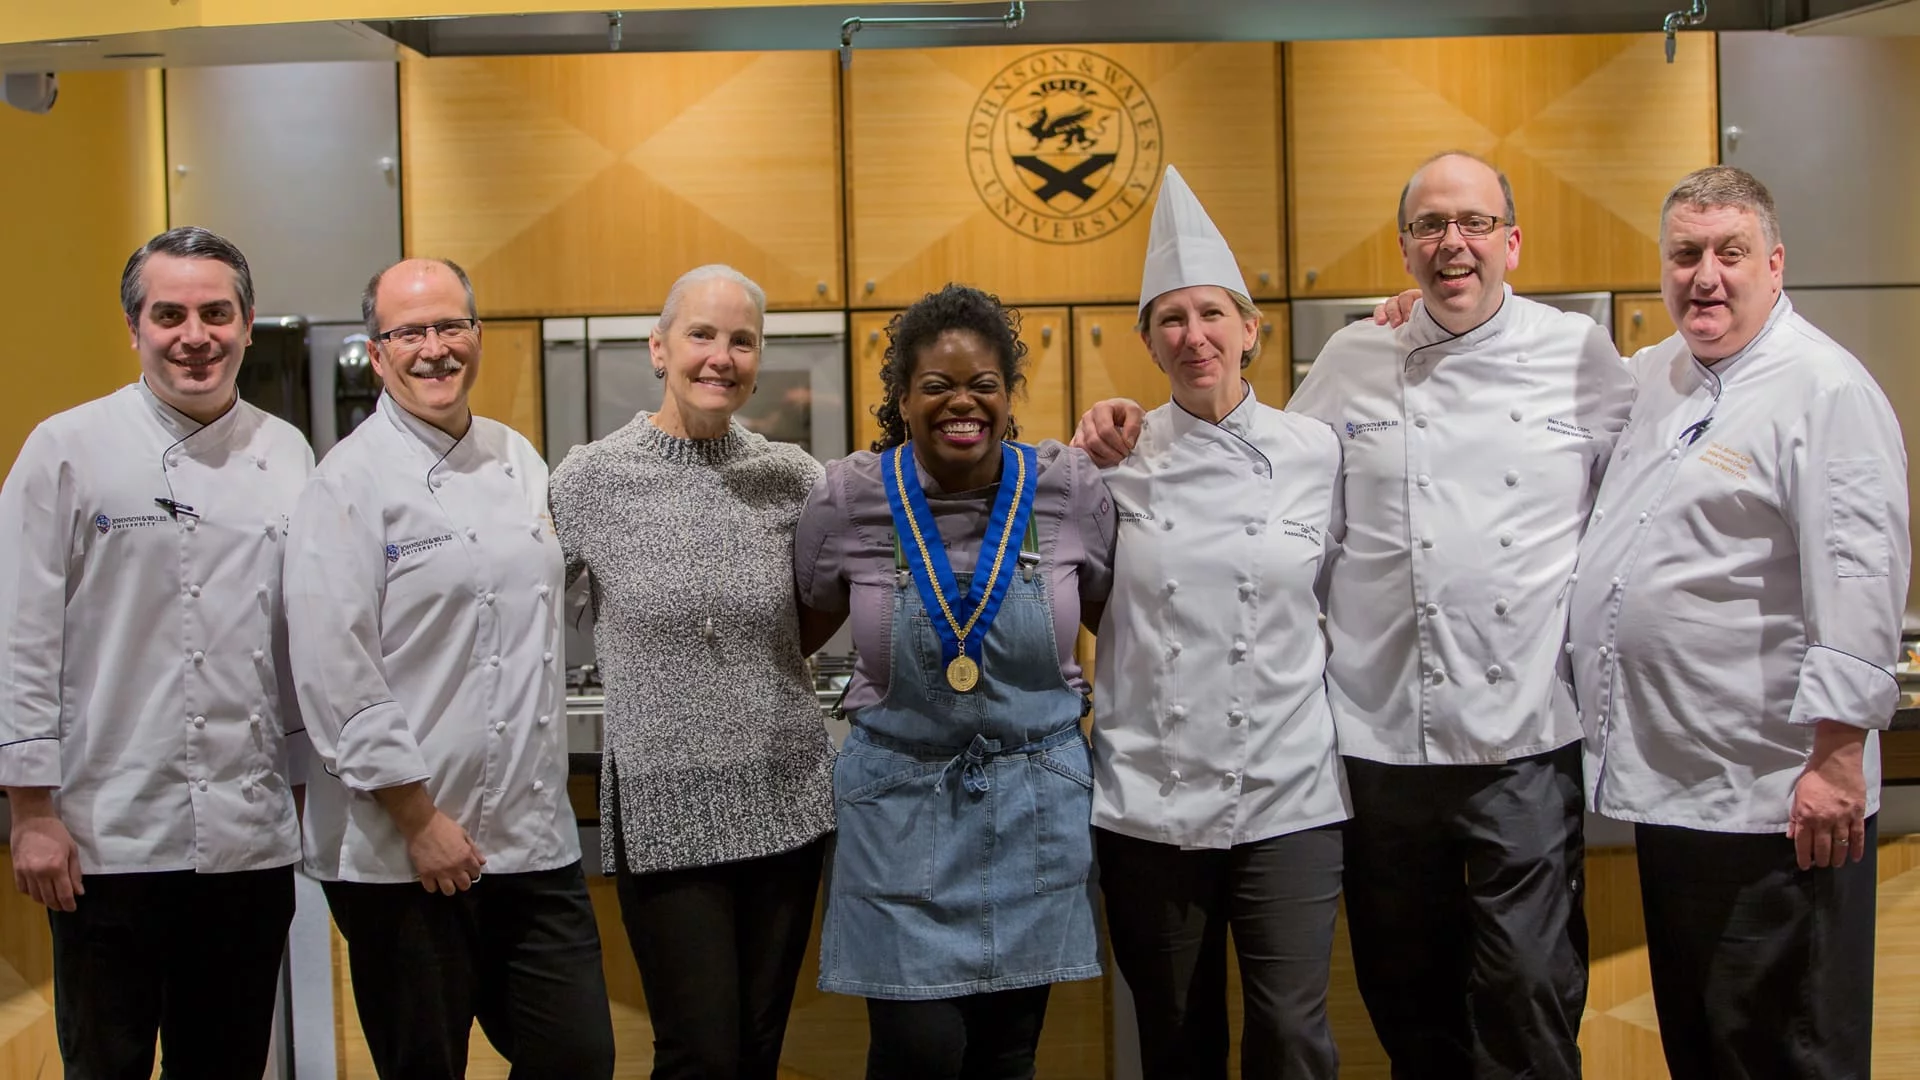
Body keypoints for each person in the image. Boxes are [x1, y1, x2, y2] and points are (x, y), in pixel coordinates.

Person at [1076, 151, 1634, 1078]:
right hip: (1378, 744)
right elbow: (1280, 499)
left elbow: (1643, 494)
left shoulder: (1582, 353)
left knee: (1528, 994)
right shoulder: (1352, 358)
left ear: (1513, 241)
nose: (1453, 243)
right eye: (1429, 227)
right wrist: (1110, 432)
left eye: (1474, 224)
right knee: (1403, 997)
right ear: (1405, 248)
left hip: (1525, 735)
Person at [1568, 165, 1908, 1078]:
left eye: (1730, 253)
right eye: (1684, 255)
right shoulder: (1663, 374)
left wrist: (1838, 757)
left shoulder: (1822, 389)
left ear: (1775, 264)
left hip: (1780, 800)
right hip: (1679, 790)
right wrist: (1420, 311)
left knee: (1785, 1048)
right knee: (1709, 1044)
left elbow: (1860, 572)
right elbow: (1529, 364)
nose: (1705, 276)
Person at [284, 257, 614, 1080]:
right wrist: (417, 820)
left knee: (578, 1058)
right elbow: (335, 672)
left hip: (531, 842)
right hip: (405, 857)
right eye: (409, 332)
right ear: (378, 349)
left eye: (450, 327)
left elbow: (568, 596)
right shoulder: (345, 484)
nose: (434, 349)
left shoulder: (518, 459)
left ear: (477, 334)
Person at [0, 226, 311, 1079]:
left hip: (249, 841)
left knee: (229, 1062)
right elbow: (20, 633)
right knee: (105, 1062)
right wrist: (29, 811)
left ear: (248, 325)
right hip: (107, 838)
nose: (194, 335)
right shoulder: (66, 449)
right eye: (168, 314)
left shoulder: (289, 455)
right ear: (133, 328)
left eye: (217, 313)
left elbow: (294, 645)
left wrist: (296, 786)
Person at [795, 283, 1115, 1080]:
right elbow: (791, 635)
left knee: (1009, 1055)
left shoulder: (1069, 489)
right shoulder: (849, 498)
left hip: (1034, 805)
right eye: (936, 385)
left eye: (983, 384)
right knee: (919, 1054)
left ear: (1010, 397)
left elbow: (1120, 622)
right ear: (902, 399)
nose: (961, 403)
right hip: (899, 810)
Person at [1090, 165, 1350, 1079]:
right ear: (1149, 344)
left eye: (1211, 314)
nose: (1194, 336)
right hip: (1148, 802)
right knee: (1175, 1040)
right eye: (1171, 319)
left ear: (1252, 329)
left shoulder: (1319, 452)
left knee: (1290, 1036)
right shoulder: (1105, 465)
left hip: (1289, 792)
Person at [548, 264, 835, 1080]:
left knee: (756, 1051)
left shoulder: (794, 479)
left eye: (741, 340)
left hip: (786, 797)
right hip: (663, 806)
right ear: (659, 348)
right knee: (697, 1055)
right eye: (701, 335)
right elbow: (513, 608)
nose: (721, 356)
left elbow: (837, 598)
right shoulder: (589, 481)